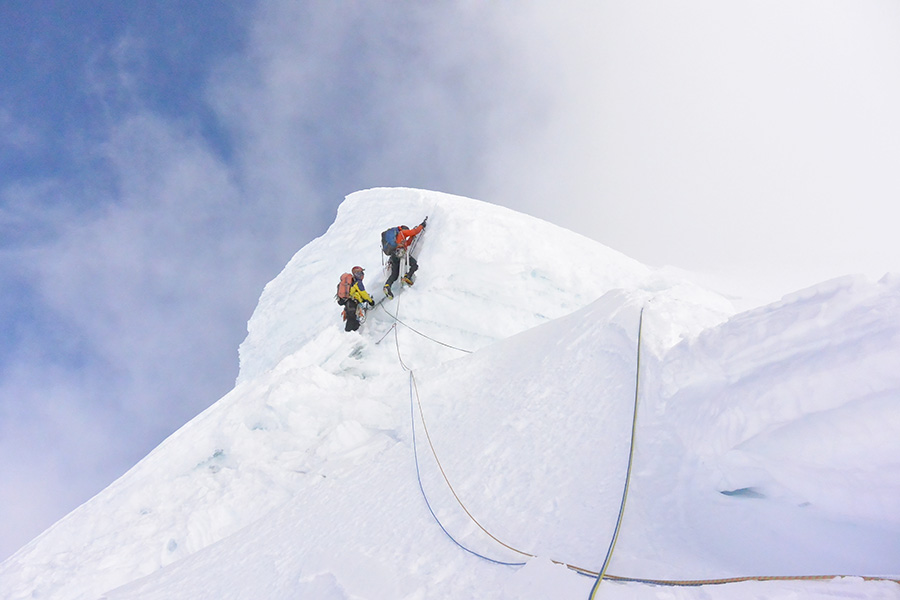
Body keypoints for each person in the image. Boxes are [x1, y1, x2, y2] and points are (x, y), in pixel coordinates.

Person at [383, 218, 427, 299]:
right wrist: (422, 225)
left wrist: (412, 237)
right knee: (414, 265)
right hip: (401, 253)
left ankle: (387, 285)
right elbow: (415, 231)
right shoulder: (402, 232)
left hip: (394, 256)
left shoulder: (397, 240)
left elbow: (408, 243)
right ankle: (406, 277)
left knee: (394, 275)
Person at [344, 266, 375, 332]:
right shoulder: (358, 283)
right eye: (360, 273)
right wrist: (370, 301)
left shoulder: (352, 282)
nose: (362, 275)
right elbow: (363, 293)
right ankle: (351, 337)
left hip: (349, 304)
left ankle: (349, 336)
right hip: (353, 304)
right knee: (354, 321)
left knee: (351, 320)